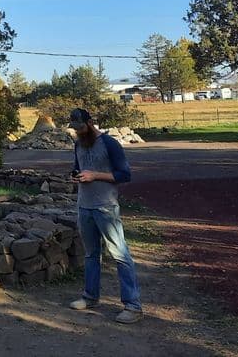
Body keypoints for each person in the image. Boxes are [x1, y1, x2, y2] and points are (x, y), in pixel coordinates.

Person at [67, 107, 142, 323]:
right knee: (91, 255)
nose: (78, 131)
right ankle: (90, 297)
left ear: (90, 123)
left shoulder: (110, 144)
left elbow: (124, 174)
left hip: (105, 207)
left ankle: (133, 305)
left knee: (120, 255)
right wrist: (76, 176)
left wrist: (95, 175)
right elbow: (78, 167)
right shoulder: (78, 144)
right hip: (84, 206)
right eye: (75, 129)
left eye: (81, 127)